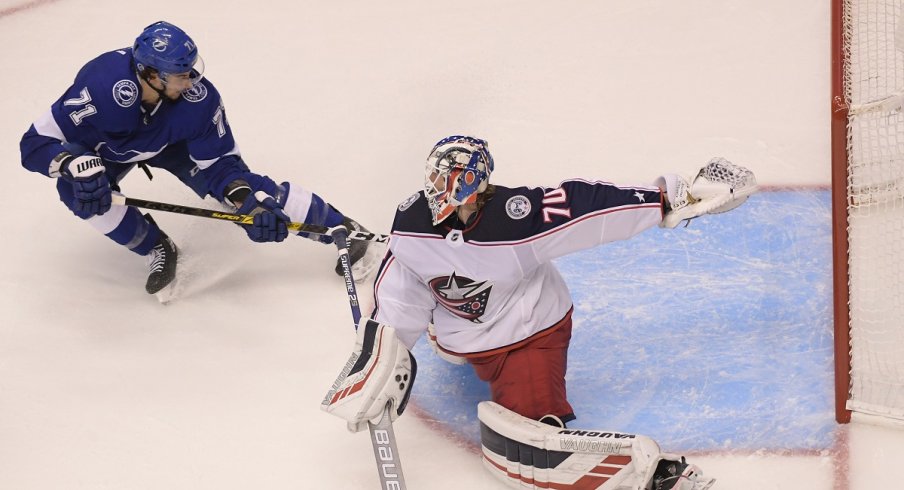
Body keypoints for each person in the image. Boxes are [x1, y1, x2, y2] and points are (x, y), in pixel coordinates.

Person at [322, 135, 754, 489]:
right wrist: (380, 356)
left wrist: (669, 199)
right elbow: (404, 285)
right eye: (435, 174)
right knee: (440, 315)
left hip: (526, 333)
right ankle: (451, 340)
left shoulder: (517, 220)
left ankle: (649, 476)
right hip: (464, 328)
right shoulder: (412, 220)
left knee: (533, 434)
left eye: (449, 177)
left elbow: (587, 207)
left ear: (473, 183)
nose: (437, 185)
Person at [19, 21, 374, 297]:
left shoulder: (199, 101)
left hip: (175, 147)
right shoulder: (100, 89)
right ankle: (156, 246)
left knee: (250, 194)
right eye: (181, 75)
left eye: (191, 69)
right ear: (151, 75)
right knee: (80, 195)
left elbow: (222, 166)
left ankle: (342, 228)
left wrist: (244, 201)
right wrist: (69, 163)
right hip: (107, 153)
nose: (191, 81)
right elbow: (34, 143)